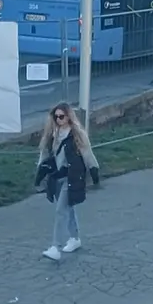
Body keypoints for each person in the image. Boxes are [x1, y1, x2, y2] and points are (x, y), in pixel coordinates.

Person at [34, 103, 98, 261]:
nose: (58, 119)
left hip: (72, 176)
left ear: (69, 116)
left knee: (61, 211)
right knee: (68, 209)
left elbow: (87, 152)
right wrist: (39, 172)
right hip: (57, 177)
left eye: (61, 116)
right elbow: (45, 155)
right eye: (55, 117)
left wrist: (94, 169)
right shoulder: (52, 135)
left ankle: (55, 247)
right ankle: (75, 238)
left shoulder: (77, 134)